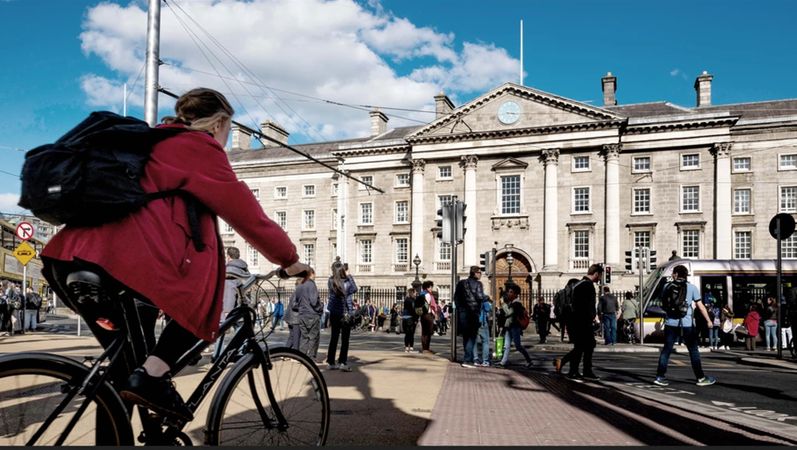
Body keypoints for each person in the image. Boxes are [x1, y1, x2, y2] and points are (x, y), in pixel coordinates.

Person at [40, 87, 309, 421]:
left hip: (70, 257)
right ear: (218, 123)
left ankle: (139, 395)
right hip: (121, 264)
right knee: (201, 306)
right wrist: (289, 260)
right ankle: (152, 376)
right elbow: (247, 216)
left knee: (122, 379)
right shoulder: (199, 147)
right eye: (227, 130)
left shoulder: (152, 141)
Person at [653, 264, 717, 387]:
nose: (672, 275)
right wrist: (708, 320)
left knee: (666, 350)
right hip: (687, 324)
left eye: (673, 273)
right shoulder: (692, 288)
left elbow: (662, 304)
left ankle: (660, 377)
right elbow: (700, 306)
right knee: (693, 351)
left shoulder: (667, 286)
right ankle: (701, 377)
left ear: (676, 274)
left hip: (670, 323)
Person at [560, 264, 603, 381]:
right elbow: (588, 305)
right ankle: (585, 370)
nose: (600, 278)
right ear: (596, 274)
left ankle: (573, 370)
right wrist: (593, 317)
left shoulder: (578, 284)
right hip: (583, 321)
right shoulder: (588, 286)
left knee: (580, 347)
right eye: (600, 276)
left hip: (575, 320)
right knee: (588, 346)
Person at [212, 246, 249, 363]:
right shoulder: (245, 270)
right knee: (241, 332)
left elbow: (229, 289)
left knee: (221, 332)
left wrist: (227, 309)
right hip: (242, 307)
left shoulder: (229, 270)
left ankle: (217, 356)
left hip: (229, 308)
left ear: (228, 257)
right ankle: (242, 353)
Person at [326, 261, 357, 371]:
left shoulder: (330, 281)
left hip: (334, 312)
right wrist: (349, 275)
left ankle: (330, 362)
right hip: (345, 313)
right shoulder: (347, 282)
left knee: (334, 337)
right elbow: (354, 289)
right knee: (345, 339)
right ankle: (342, 362)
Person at [497, 283, 533, 369]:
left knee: (518, 346)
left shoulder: (517, 304)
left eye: (511, 292)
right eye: (509, 292)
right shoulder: (511, 303)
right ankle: (503, 362)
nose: (509, 294)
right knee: (507, 346)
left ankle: (529, 361)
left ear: (515, 294)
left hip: (515, 327)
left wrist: (503, 304)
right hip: (509, 327)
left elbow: (509, 313)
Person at [454, 266, 485, 367]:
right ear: (475, 273)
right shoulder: (478, 284)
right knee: (472, 336)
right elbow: (480, 297)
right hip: (473, 313)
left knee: (466, 337)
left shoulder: (461, 283)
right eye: (479, 272)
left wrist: (460, 308)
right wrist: (486, 298)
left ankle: (469, 358)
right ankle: (467, 360)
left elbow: (456, 298)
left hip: (463, 312)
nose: (480, 274)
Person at [295, 268, 323, 359]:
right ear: (312, 273)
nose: (315, 276)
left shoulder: (299, 285)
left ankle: (302, 357)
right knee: (313, 337)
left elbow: (297, 301)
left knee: (304, 337)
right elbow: (314, 301)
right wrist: (320, 308)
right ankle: (311, 357)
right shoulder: (311, 284)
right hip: (312, 314)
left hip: (302, 314)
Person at [418, 280, 438, 354]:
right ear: (428, 287)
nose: (431, 289)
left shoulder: (421, 294)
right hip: (428, 314)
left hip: (423, 315)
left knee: (424, 332)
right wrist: (434, 314)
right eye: (431, 287)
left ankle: (424, 348)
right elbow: (430, 305)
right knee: (429, 332)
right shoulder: (428, 295)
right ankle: (426, 348)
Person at [475, 295, 493, 367]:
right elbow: (488, 309)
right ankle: (485, 361)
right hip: (482, 323)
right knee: (485, 342)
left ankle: (475, 359)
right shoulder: (484, 300)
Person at [402, 287, 419, 352]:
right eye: (415, 292)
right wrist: (416, 319)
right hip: (411, 318)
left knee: (407, 334)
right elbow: (414, 310)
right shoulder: (413, 301)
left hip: (405, 318)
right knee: (411, 334)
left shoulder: (406, 300)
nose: (416, 293)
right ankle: (411, 347)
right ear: (412, 293)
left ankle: (406, 347)